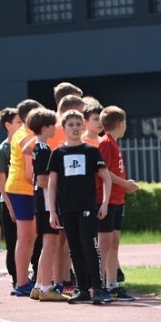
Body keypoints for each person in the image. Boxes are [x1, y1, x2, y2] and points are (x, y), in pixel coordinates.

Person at [47, 110, 112, 305]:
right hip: (67, 208)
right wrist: (52, 211)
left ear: (83, 127)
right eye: (71, 125)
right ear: (64, 129)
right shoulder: (58, 153)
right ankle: (82, 289)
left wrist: (105, 203)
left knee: (90, 247)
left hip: (87, 207)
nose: (75, 128)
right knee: (74, 249)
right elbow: (52, 184)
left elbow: (106, 178)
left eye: (78, 124)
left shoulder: (91, 151)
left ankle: (98, 289)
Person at [25, 108, 68, 302]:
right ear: (45, 127)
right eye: (53, 125)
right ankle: (46, 286)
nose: (55, 128)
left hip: (41, 202)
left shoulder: (37, 147)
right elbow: (43, 180)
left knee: (46, 245)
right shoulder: (43, 150)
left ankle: (38, 285)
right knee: (49, 244)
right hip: (45, 203)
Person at [97, 106, 140, 301]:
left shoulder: (114, 143)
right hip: (107, 199)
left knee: (114, 243)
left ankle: (112, 284)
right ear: (120, 124)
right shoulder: (106, 143)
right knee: (104, 244)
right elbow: (103, 172)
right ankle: (99, 284)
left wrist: (124, 186)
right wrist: (126, 184)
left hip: (117, 199)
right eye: (125, 123)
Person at [5, 99, 43, 296]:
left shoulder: (26, 133)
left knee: (31, 236)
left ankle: (23, 280)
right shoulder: (25, 135)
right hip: (22, 189)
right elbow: (29, 173)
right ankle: (21, 282)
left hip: (25, 189)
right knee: (26, 237)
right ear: (29, 117)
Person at [0, 107, 22, 290]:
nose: (22, 125)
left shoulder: (26, 145)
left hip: (27, 199)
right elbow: (1, 184)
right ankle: (16, 279)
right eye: (19, 122)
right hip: (11, 202)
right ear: (8, 125)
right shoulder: (3, 150)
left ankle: (34, 276)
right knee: (13, 243)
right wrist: (11, 208)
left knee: (33, 241)